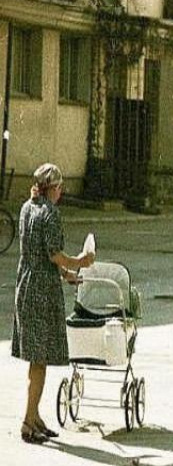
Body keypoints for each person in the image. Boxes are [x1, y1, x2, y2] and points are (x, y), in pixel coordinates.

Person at [12, 164, 95, 444]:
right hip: (42, 292)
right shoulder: (50, 213)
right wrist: (80, 262)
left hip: (26, 285)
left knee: (37, 359)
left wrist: (67, 275)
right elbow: (54, 254)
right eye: (59, 187)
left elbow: (37, 252)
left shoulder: (27, 208)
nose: (61, 192)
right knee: (40, 360)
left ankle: (34, 416)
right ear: (52, 188)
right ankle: (27, 422)